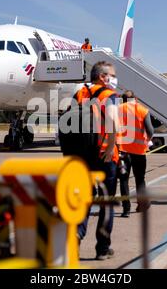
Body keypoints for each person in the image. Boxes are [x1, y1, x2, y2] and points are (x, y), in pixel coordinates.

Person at [76, 61, 119, 260]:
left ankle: (76, 235)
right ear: (102, 77)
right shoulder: (107, 95)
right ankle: (102, 248)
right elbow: (112, 123)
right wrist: (110, 148)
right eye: (112, 75)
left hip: (83, 155)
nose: (114, 78)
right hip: (103, 155)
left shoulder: (79, 94)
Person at [117, 90, 154, 218]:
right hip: (139, 151)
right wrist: (147, 141)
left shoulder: (117, 109)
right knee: (140, 179)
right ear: (135, 98)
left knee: (123, 180)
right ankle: (142, 204)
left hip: (122, 151)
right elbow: (150, 130)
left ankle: (126, 209)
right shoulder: (143, 110)